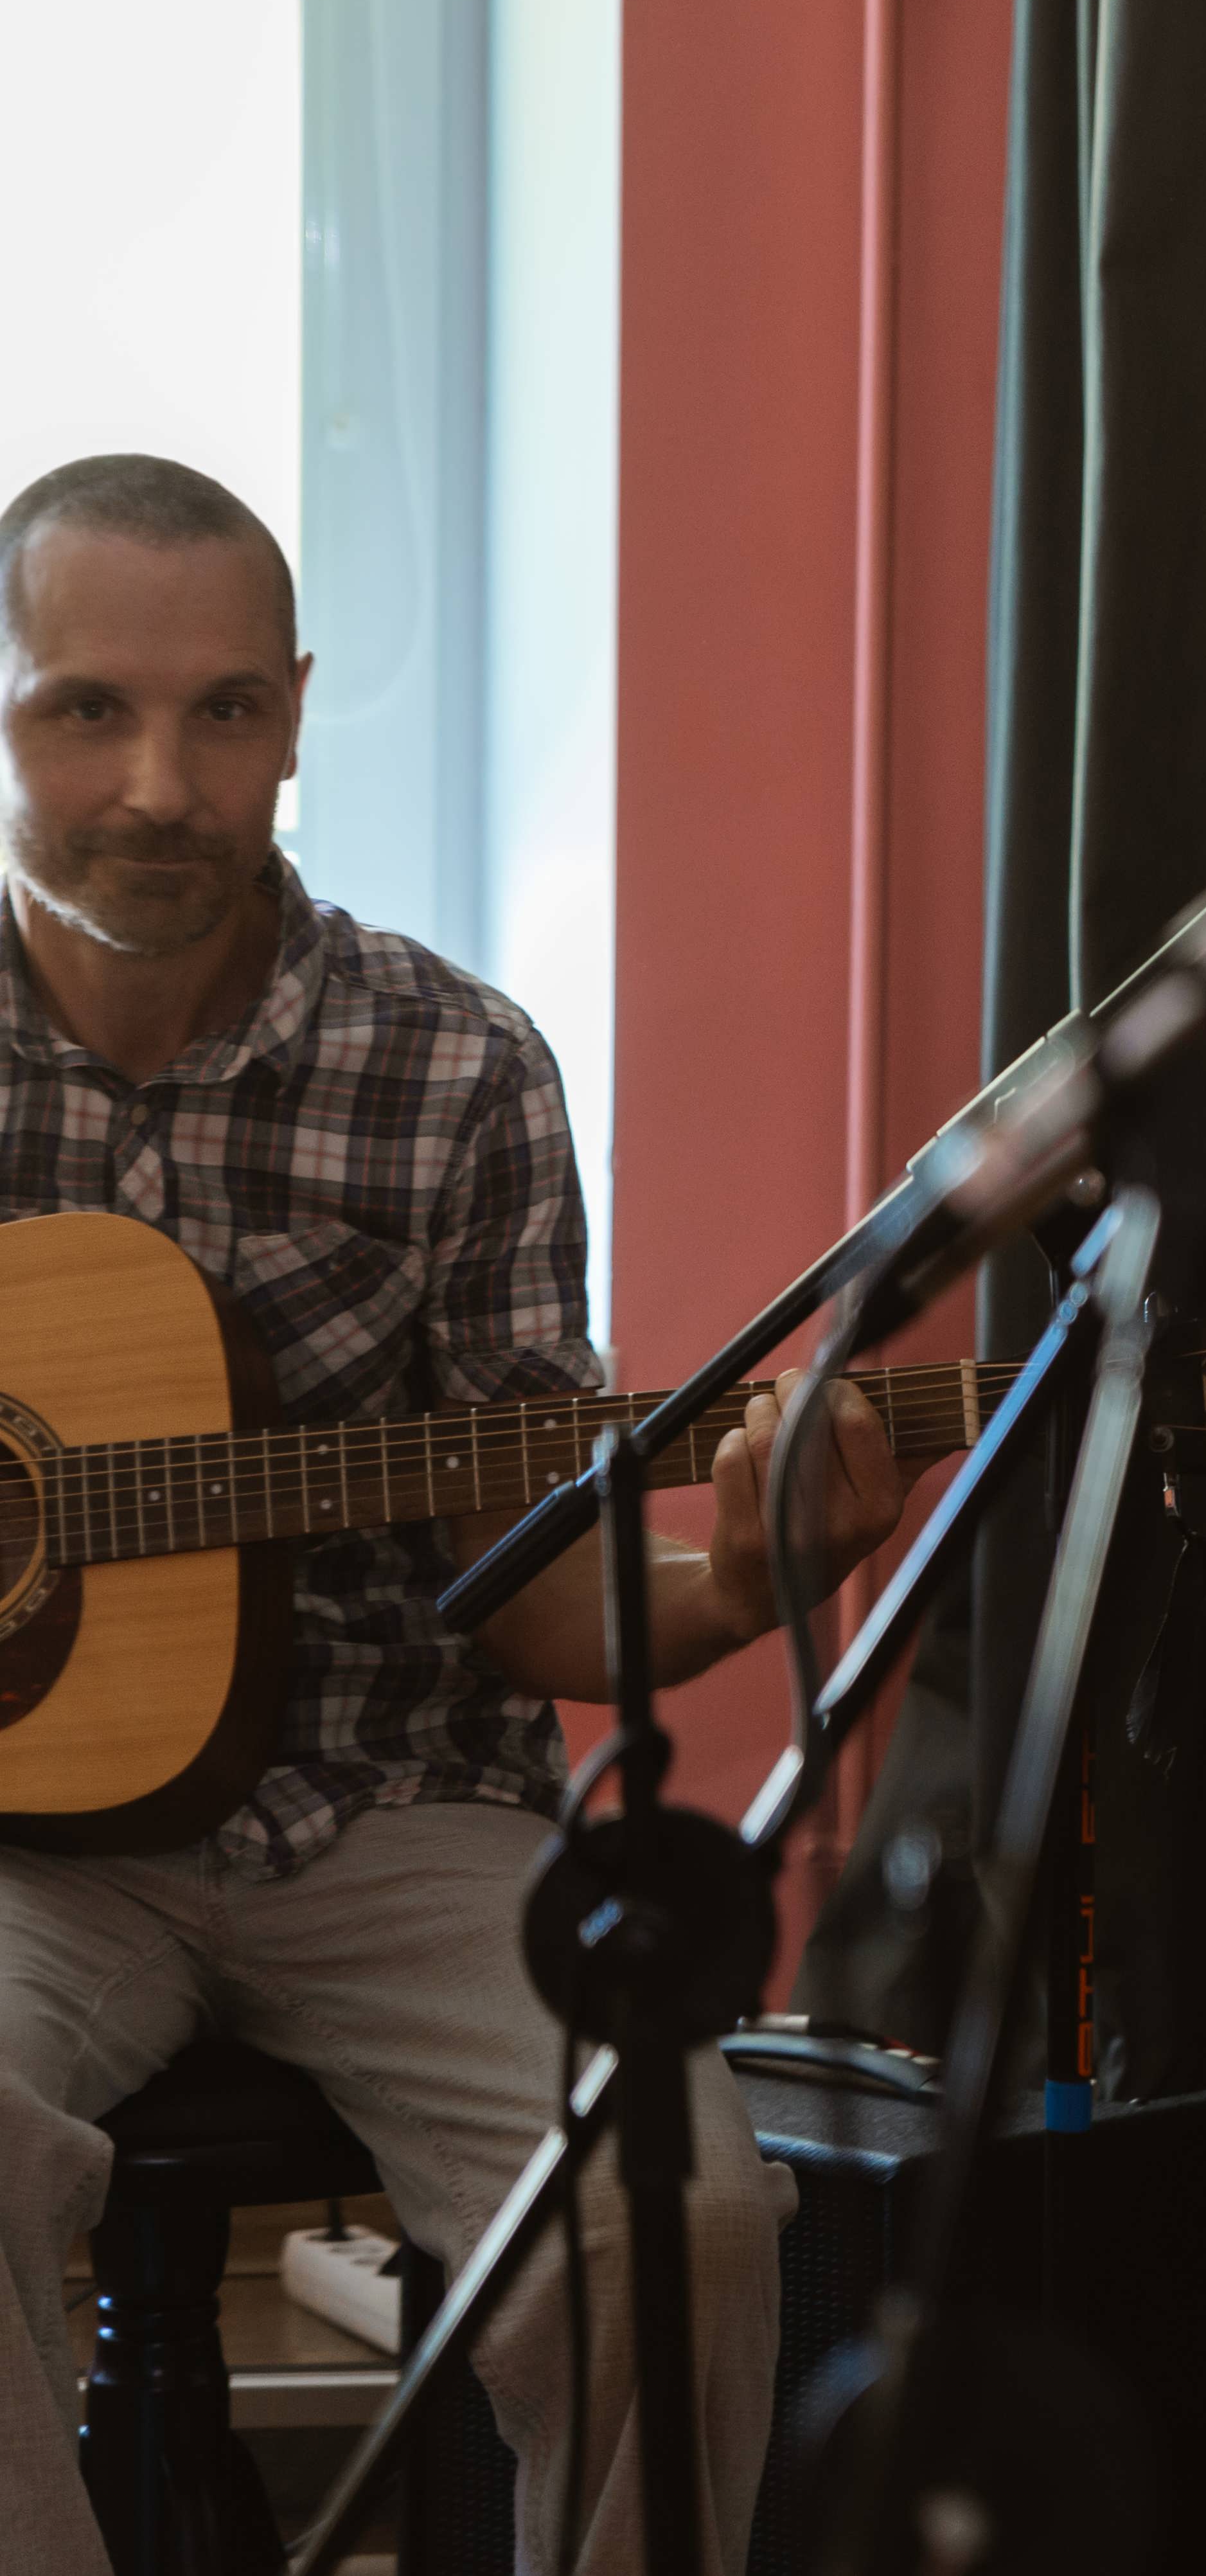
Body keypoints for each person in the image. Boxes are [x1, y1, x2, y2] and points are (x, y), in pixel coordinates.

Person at [0, 454, 905, 2572]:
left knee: (678, 2215)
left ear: (298, 715)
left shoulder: (455, 1066)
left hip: (398, 1804)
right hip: (27, 1848)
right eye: (86, 711)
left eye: (225, 713)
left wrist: (749, 1580)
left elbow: (530, 1599)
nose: (159, 785)